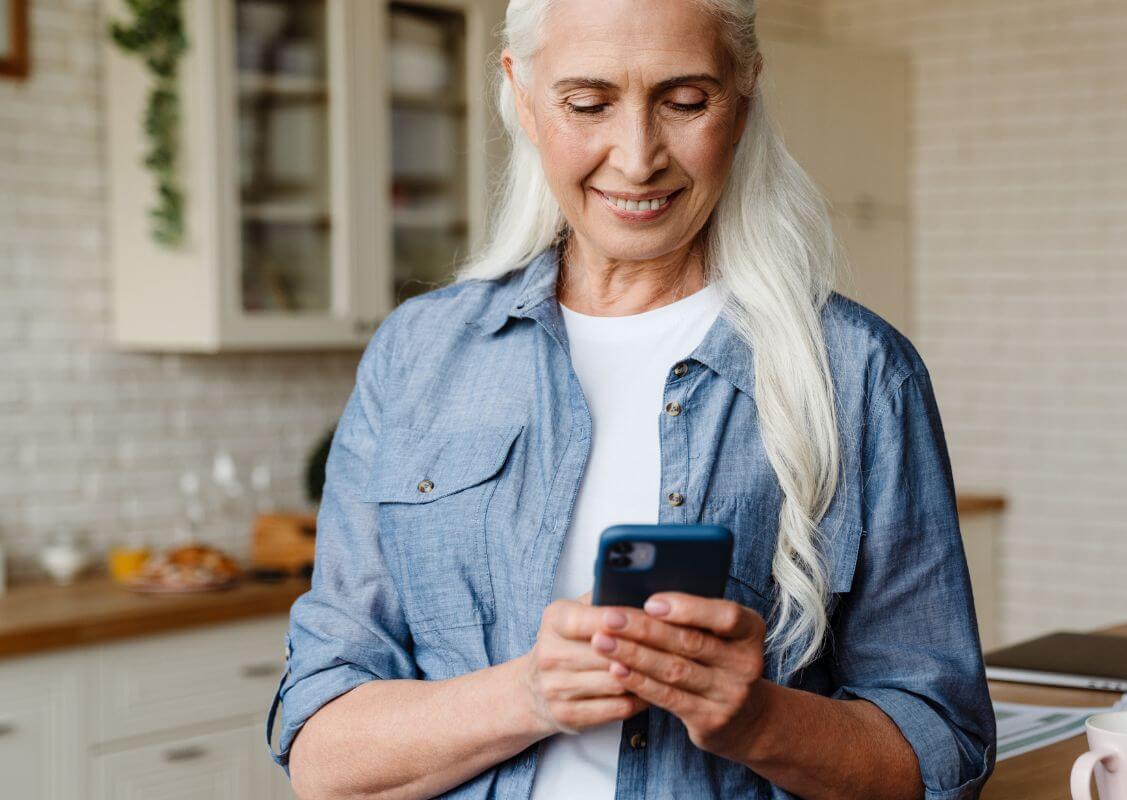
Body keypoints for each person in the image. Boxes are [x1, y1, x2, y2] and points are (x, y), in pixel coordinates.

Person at [265, 0, 997, 798]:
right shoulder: (418, 356)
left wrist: (756, 721)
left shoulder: (859, 374)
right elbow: (325, 757)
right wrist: (530, 694)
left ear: (746, 89)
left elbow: (940, 752)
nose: (638, 157)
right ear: (523, 92)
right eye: (589, 104)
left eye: (686, 102)